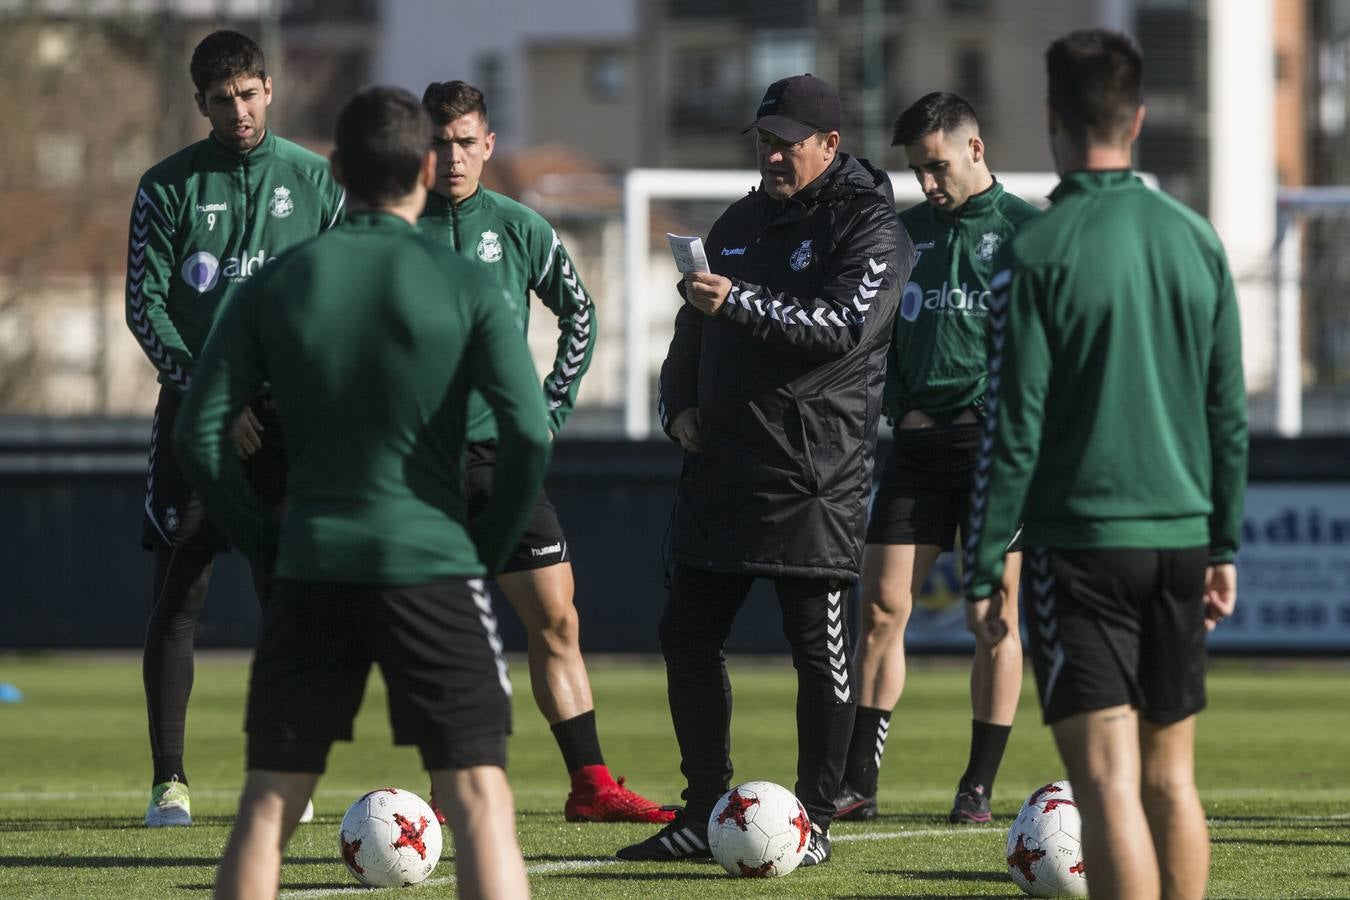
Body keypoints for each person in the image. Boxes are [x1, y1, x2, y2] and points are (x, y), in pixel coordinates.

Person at [175, 85, 549, 900]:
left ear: (337, 170)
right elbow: (530, 435)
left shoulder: (275, 284)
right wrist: (480, 554)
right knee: (481, 801)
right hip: (434, 564)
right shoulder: (467, 285)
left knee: (268, 806)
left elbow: (198, 436)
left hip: (311, 562)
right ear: (424, 166)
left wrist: (267, 543)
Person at [963, 29, 1247, 899]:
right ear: (1139, 117)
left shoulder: (1035, 252)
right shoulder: (1196, 239)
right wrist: (1224, 545)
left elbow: (1015, 424)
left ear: (1053, 117)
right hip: (1180, 540)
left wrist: (983, 564)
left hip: (1079, 547)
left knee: (1109, 783)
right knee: (1171, 780)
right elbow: (1227, 415)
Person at [617, 74, 910, 866]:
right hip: (722, 469)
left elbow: (842, 327)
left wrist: (735, 301)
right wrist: (677, 405)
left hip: (813, 474)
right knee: (686, 633)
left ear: (830, 145)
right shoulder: (741, 219)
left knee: (817, 648)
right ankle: (703, 805)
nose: (773, 155)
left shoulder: (873, 227)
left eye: (787, 142)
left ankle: (813, 817)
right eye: (765, 141)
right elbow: (691, 322)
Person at [417, 80, 669, 825]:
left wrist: (550, 410)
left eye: (466, 141)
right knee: (439, 632)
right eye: (440, 141)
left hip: (504, 461)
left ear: (488, 146)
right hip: (417, 470)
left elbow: (580, 315)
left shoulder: (520, 226)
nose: (454, 155)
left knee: (557, 622)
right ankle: (443, 789)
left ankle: (590, 785)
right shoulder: (389, 229)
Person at [126, 29, 344, 827]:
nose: (240, 110)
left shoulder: (317, 182)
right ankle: (169, 782)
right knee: (179, 596)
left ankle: (286, 766)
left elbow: (336, 298)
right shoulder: (165, 186)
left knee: (285, 596)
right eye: (223, 100)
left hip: (289, 424)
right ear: (202, 105)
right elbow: (144, 310)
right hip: (197, 419)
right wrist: (217, 400)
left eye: (250, 93)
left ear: (270, 88)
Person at [834, 92, 1040, 825]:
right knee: (883, 606)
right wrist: (894, 404)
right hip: (916, 449)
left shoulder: (1027, 232)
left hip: (993, 451)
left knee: (993, 616)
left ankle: (977, 786)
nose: (927, 182)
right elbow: (874, 336)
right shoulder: (903, 234)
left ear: (975, 150)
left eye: (936, 166)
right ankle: (857, 780)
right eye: (917, 170)